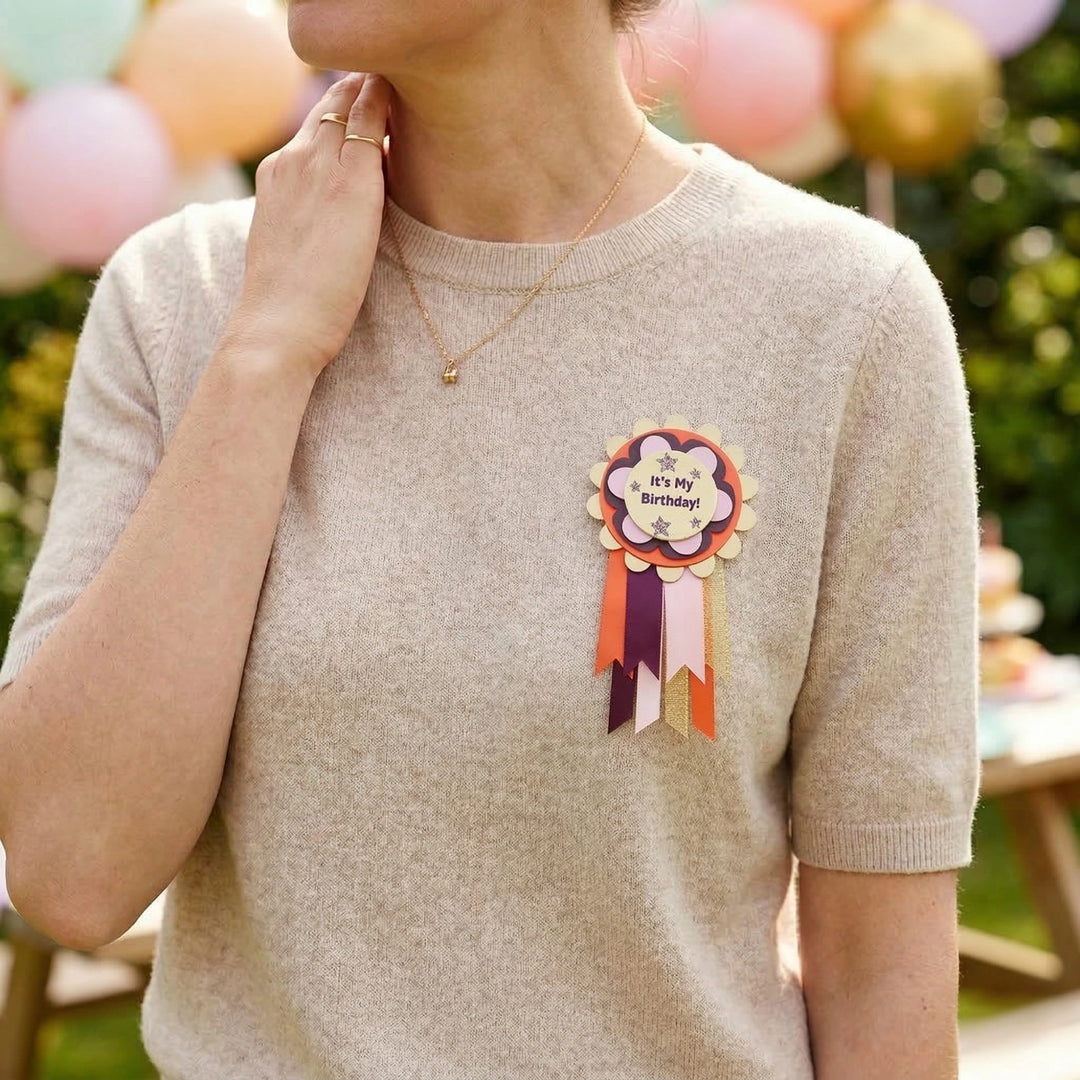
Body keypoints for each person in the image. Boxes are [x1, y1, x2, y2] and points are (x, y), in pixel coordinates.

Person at [0, 0, 979, 1077]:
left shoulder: (845, 312)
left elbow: (881, 954)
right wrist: (265, 353)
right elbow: (69, 874)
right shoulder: (179, 299)